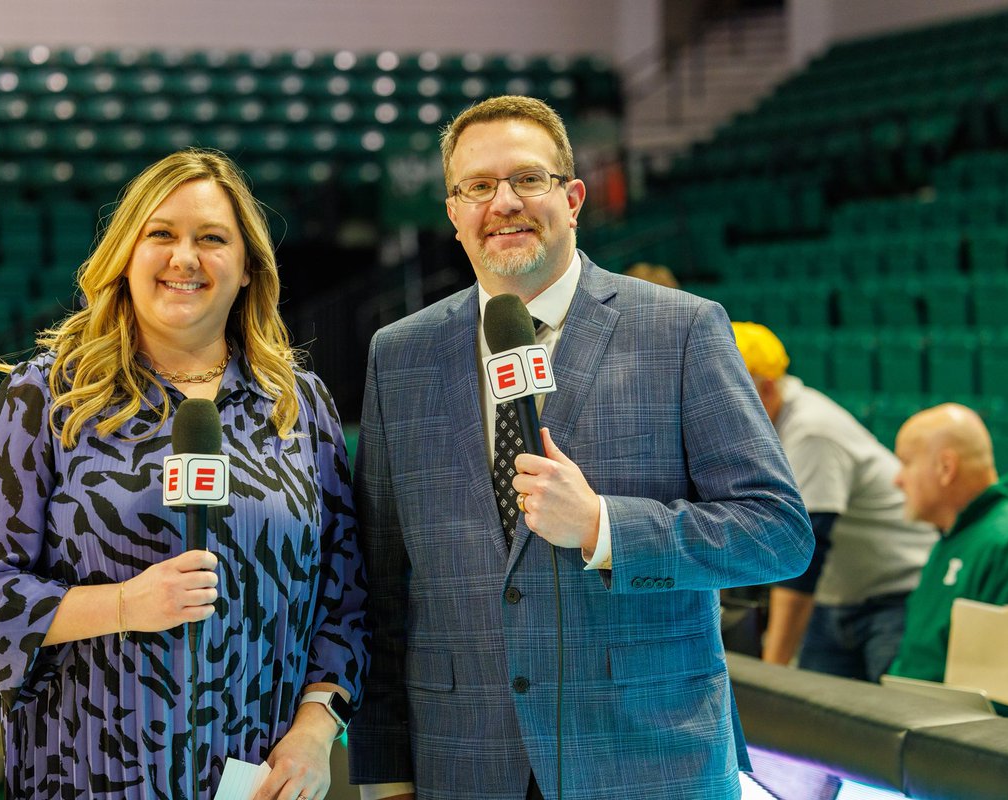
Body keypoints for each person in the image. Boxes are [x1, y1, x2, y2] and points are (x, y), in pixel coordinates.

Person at [347, 96, 813, 800]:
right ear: (452, 213)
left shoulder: (681, 329)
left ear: (573, 198)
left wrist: (604, 527)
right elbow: (380, 589)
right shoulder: (400, 355)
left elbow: (777, 535)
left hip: (649, 760)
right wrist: (385, 776)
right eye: (478, 186)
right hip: (463, 764)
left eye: (528, 180)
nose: (503, 202)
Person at [0, 149, 368, 800]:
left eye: (212, 239)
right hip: (88, 769)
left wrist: (315, 730)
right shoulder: (46, 398)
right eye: (160, 234)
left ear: (249, 268)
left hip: (257, 779)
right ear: (126, 255)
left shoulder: (298, 406)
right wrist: (123, 605)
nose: (184, 258)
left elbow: (347, 602)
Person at [732, 322, 936, 681]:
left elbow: (804, 555)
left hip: (895, 593)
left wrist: (772, 673)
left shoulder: (811, 430)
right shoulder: (767, 428)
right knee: (823, 723)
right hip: (838, 595)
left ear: (766, 389)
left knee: (883, 718)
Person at [888, 402, 1008, 683]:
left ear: (946, 468)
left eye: (906, 463)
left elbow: (1005, 686)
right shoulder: (954, 535)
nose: (897, 480)